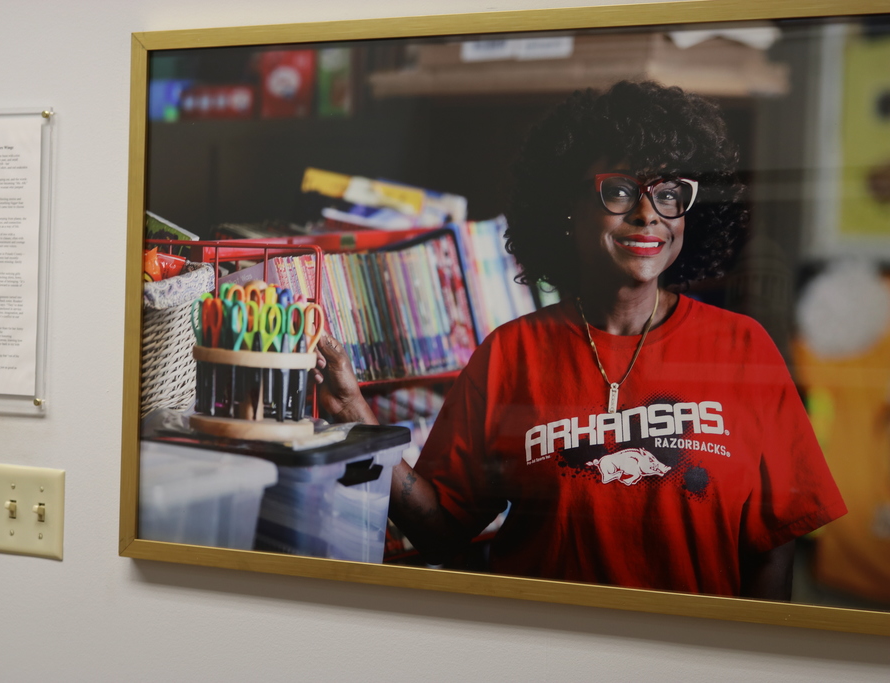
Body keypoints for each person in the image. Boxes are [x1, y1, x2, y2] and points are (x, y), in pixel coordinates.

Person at [311, 81, 847, 599]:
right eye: (619, 191)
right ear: (567, 207)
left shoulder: (743, 348)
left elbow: (775, 545)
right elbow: (440, 529)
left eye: (669, 194)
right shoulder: (510, 355)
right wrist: (359, 420)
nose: (647, 214)